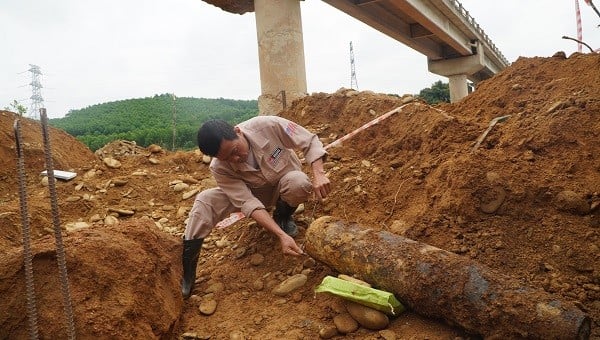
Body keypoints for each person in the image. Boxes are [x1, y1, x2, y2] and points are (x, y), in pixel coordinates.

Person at [181, 115, 331, 298]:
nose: (236, 158)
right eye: (228, 158)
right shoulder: (219, 167)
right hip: (254, 193)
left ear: (238, 131)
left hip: (283, 183)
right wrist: (280, 236)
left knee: (299, 182)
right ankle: (187, 271)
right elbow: (248, 203)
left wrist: (319, 174)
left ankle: (283, 216)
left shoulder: (267, 125)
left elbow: (309, 140)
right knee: (205, 200)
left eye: (235, 150)